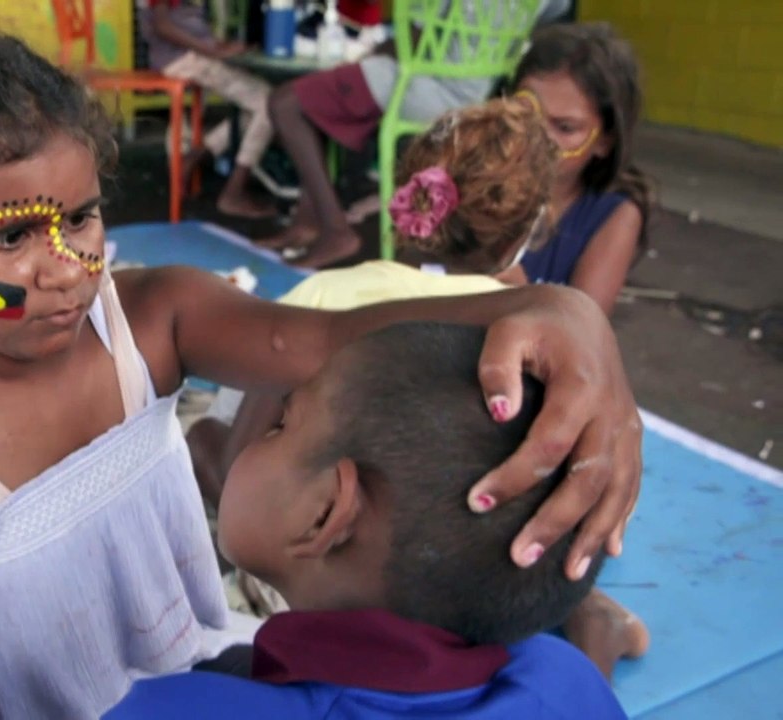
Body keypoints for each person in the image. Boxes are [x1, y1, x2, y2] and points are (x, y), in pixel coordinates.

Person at [0, 30, 641, 719]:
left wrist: (563, 314)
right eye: (11, 240)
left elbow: (330, 340)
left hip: (222, 686)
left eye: (80, 218)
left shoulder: (151, 316)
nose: (68, 269)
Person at [192, 98, 650, 680]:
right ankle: (588, 619)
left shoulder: (321, 298)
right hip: (472, 598)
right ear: (526, 231)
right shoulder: (534, 340)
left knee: (200, 432)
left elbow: (238, 467)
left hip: (327, 587)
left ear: (407, 193)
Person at [107, 323, 627, 719]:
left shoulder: (179, 710)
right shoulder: (566, 682)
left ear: (325, 514)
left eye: (283, 425)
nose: (267, 434)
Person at [264, 0, 570, 268]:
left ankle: (335, 229)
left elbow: (412, 37)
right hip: (484, 93)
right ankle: (307, 220)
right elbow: (554, 12)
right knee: (322, 98)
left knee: (286, 103)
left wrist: (362, 58)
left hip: (425, 85)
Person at [506, 22, 651, 315]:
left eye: (565, 127)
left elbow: (584, 326)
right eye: (524, 112)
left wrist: (522, 298)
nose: (537, 136)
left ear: (605, 142)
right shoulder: (479, 179)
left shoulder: (615, 216)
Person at [140, 0, 277, 218]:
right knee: (272, 103)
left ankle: (198, 154)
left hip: (191, 55)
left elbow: (188, 22)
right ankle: (233, 191)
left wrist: (219, 45)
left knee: (264, 103)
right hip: (182, 59)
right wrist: (211, 50)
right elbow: (162, 26)